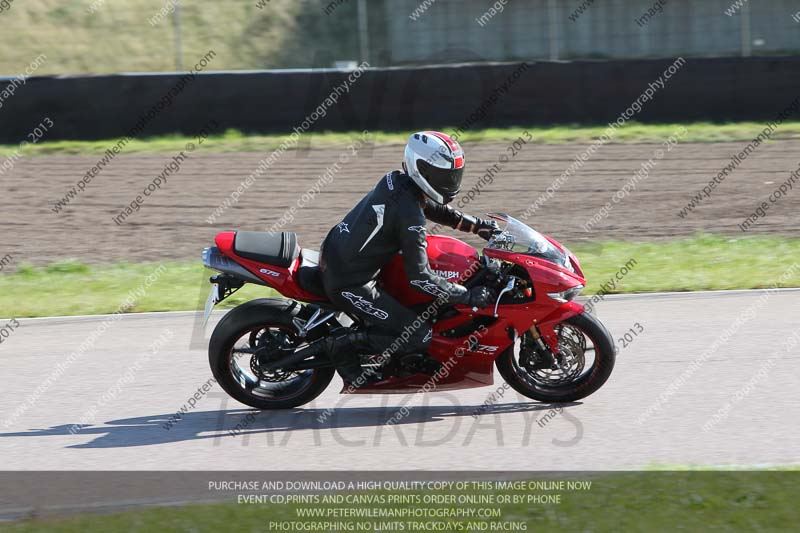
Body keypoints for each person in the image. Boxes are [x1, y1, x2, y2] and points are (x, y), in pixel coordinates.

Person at [296, 131, 499, 386]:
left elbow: (431, 207)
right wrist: (465, 295)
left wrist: (477, 226)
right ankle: (339, 346)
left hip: (338, 254)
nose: (449, 181)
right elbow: (421, 278)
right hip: (349, 282)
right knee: (417, 336)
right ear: (420, 169)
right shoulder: (410, 217)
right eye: (442, 175)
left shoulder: (396, 181)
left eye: (452, 175)